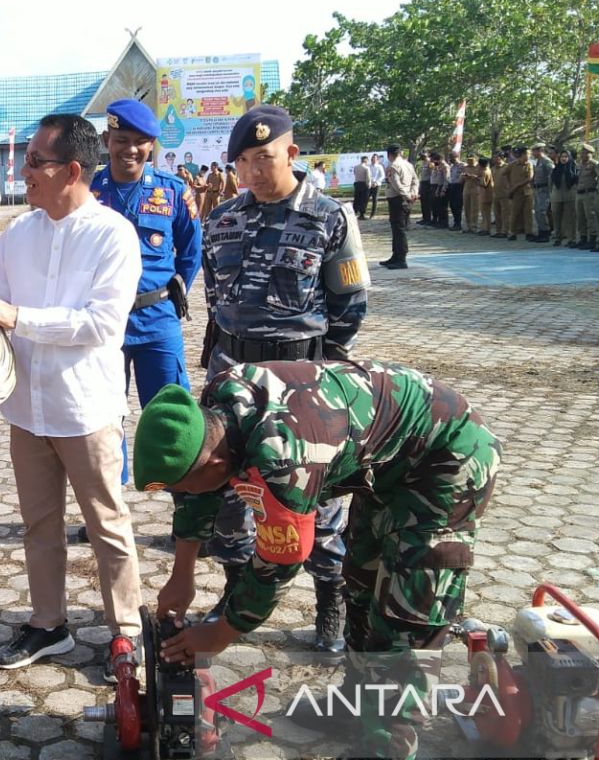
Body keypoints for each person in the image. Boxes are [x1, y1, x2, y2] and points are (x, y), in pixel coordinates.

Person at [136, 359, 501, 760]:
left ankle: (386, 747)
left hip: (449, 459)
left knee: (406, 619)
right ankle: (355, 706)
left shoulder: (281, 458)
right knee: (361, 584)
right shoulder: (213, 412)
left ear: (216, 465)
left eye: (180, 486)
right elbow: (199, 492)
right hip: (390, 465)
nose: (182, 494)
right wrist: (182, 575)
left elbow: (278, 563)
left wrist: (221, 633)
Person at [0, 113, 144, 679]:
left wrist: (19, 318)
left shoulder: (112, 234)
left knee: (106, 525)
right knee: (38, 525)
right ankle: (49, 624)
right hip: (28, 408)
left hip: (85, 409)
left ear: (71, 170)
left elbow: (99, 325)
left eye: (35, 162)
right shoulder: (20, 233)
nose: (24, 172)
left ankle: (126, 632)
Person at [198, 105, 368, 660]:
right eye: (243, 161)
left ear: (292, 154)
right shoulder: (221, 219)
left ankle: (330, 601)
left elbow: (350, 306)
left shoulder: (330, 217)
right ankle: (233, 597)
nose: (251, 172)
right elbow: (215, 302)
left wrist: (322, 375)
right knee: (230, 497)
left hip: (304, 380)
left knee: (317, 503)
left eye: (263, 159)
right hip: (235, 378)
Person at [88, 99, 201, 552]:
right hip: (104, 325)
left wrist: (173, 295)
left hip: (157, 323)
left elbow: (191, 253)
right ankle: (107, 516)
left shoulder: (173, 191)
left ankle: (187, 519)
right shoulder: (89, 190)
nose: (129, 150)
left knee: (172, 419)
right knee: (102, 418)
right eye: (120, 141)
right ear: (105, 142)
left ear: (151, 146)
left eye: (139, 143)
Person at [379, 144, 418, 269]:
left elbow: (396, 183)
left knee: (398, 229)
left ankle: (401, 258)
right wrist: (413, 193)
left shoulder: (393, 166)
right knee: (398, 228)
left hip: (398, 199)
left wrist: (406, 195)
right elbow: (415, 181)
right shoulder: (408, 165)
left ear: (389, 155)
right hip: (406, 198)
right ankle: (395, 255)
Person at [505, 145, 533, 242]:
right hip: (516, 193)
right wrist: (510, 185)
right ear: (522, 155)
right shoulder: (512, 165)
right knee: (514, 213)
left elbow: (529, 178)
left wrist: (517, 185)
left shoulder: (529, 165)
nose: (528, 156)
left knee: (528, 213)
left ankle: (529, 232)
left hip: (527, 192)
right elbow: (505, 174)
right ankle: (512, 232)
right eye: (527, 154)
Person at [550, 148, 578, 246]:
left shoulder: (573, 167)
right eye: (562, 156)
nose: (564, 159)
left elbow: (575, 180)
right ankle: (558, 238)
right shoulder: (556, 168)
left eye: (566, 157)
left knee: (570, 218)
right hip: (556, 196)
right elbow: (552, 182)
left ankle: (572, 239)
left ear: (569, 158)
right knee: (556, 218)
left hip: (569, 196)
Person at [575, 142, 599, 250]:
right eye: (581, 152)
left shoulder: (594, 164)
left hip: (589, 194)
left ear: (590, 153)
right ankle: (583, 238)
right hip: (579, 193)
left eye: (584, 153)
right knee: (580, 218)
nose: (582, 155)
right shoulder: (579, 164)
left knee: (590, 217)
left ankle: (592, 239)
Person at [529, 143, 554, 242]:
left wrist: (550, 189)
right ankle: (541, 232)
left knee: (542, 211)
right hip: (537, 190)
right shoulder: (538, 161)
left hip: (544, 190)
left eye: (535, 151)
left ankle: (546, 232)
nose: (533, 153)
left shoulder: (546, 161)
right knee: (537, 212)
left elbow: (551, 175)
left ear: (540, 151)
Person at [491, 153, 510, 237]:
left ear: (502, 158)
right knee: (497, 213)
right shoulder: (493, 168)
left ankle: (505, 231)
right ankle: (498, 231)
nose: (495, 159)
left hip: (505, 193)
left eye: (497, 158)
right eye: (494, 158)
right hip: (495, 193)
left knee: (505, 213)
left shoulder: (507, 167)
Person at [460, 154, 480, 233]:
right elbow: (460, 180)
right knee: (467, 208)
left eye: (471, 160)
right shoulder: (465, 168)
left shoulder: (479, 167)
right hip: (466, 188)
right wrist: (463, 176)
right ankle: (468, 226)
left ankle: (474, 226)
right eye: (468, 160)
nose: (469, 161)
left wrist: (473, 176)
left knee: (474, 208)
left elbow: (483, 178)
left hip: (475, 189)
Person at [429, 153, 449, 229]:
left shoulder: (445, 166)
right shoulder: (439, 166)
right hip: (438, 186)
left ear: (440, 159)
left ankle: (444, 222)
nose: (434, 162)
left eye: (436, 160)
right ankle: (440, 221)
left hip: (443, 187)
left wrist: (443, 190)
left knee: (443, 206)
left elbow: (446, 179)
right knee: (438, 206)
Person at [447, 149, 465, 230]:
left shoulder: (462, 165)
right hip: (452, 186)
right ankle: (455, 222)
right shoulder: (452, 166)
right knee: (452, 206)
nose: (450, 159)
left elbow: (463, 177)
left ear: (456, 156)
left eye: (451, 157)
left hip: (459, 187)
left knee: (457, 206)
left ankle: (458, 224)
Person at [476, 157, 494, 235]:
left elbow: (483, 183)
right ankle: (485, 228)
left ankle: (486, 229)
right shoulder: (489, 170)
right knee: (486, 213)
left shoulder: (484, 171)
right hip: (488, 193)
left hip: (485, 194)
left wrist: (475, 178)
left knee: (485, 213)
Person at [415, 152, 433, 225]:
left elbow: (432, 174)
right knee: (423, 202)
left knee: (427, 202)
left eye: (423, 155)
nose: (421, 157)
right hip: (422, 183)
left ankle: (428, 219)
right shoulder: (423, 163)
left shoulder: (430, 163)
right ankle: (424, 218)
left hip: (428, 183)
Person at [367, 153, 385, 218]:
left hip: (377, 185)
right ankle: (362, 213)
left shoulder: (380, 166)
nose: (373, 159)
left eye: (375, 158)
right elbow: (368, 175)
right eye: (372, 158)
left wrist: (376, 182)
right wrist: (370, 182)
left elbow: (382, 176)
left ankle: (372, 214)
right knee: (366, 198)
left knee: (375, 199)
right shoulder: (368, 166)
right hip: (370, 184)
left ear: (377, 159)